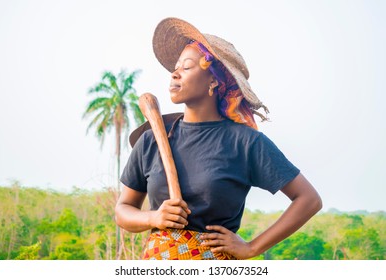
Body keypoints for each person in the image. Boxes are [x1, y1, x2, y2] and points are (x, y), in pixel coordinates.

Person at [115, 17, 322, 260]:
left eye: (187, 67)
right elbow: (123, 211)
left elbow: (309, 200)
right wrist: (154, 217)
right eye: (176, 67)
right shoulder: (151, 140)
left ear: (213, 80)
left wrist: (251, 247)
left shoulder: (245, 143)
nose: (175, 73)